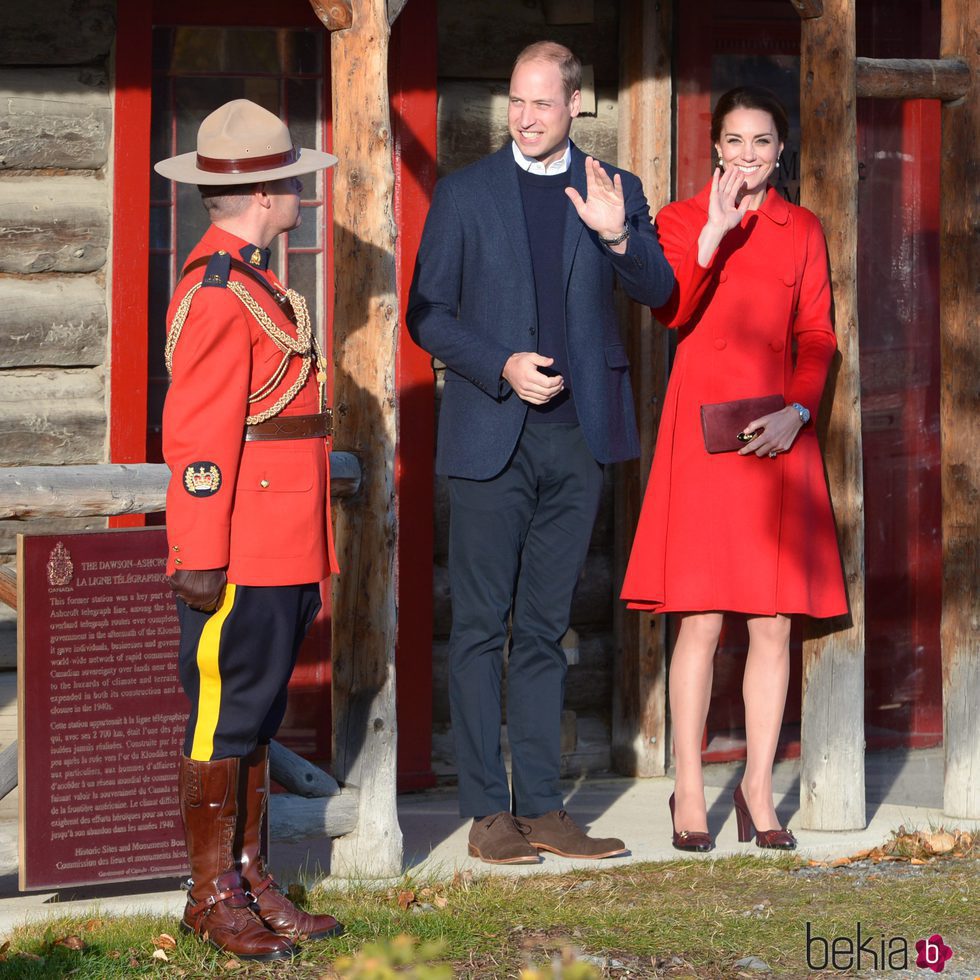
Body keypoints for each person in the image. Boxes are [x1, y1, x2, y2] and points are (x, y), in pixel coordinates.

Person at [407, 41, 674, 865]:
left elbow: (660, 292)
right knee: (483, 628)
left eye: (542, 103)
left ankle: (546, 809)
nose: (525, 117)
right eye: (515, 102)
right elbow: (428, 314)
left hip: (577, 443)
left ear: (575, 105)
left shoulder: (613, 190)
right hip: (491, 437)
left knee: (546, 630)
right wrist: (500, 364)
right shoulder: (463, 195)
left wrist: (618, 233)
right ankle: (489, 813)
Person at [621, 86, 847, 851]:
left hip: (778, 441)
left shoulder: (803, 229)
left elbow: (818, 335)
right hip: (705, 442)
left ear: (780, 151)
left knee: (774, 624)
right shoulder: (683, 220)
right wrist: (715, 232)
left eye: (762, 141)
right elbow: (672, 311)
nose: (748, 154)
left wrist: (800, 411)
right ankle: (689, 789)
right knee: (702, 621)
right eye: (735, 140)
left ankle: (755, 787)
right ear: (715, 148)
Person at [154, 99, 343, 960]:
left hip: (284, 535)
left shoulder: (255, 280)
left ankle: (250, 877)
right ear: (264, 194)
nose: (302, 190)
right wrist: (198, 551)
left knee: (255, 716)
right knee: (221, 719)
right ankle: (209, 892)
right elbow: (197, 437)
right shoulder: (216, 291)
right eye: (292, 180)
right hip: (241, 542)